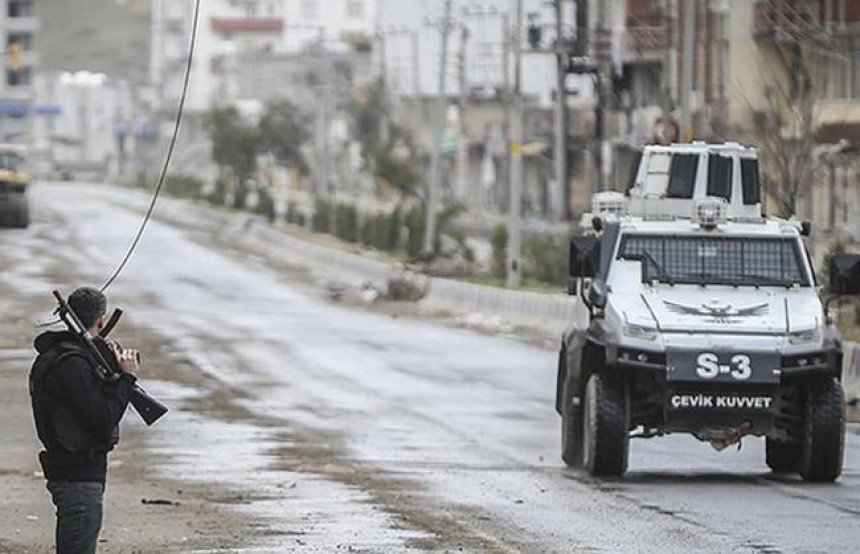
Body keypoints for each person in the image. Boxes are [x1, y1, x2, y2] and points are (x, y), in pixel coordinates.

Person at [29, 287, 140, 554]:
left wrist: (113, 373)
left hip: (78, 471)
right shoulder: (71, 364)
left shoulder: (68, 359)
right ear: (100, 320)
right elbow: (102, 418)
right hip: (76, 474)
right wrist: (126, 379)